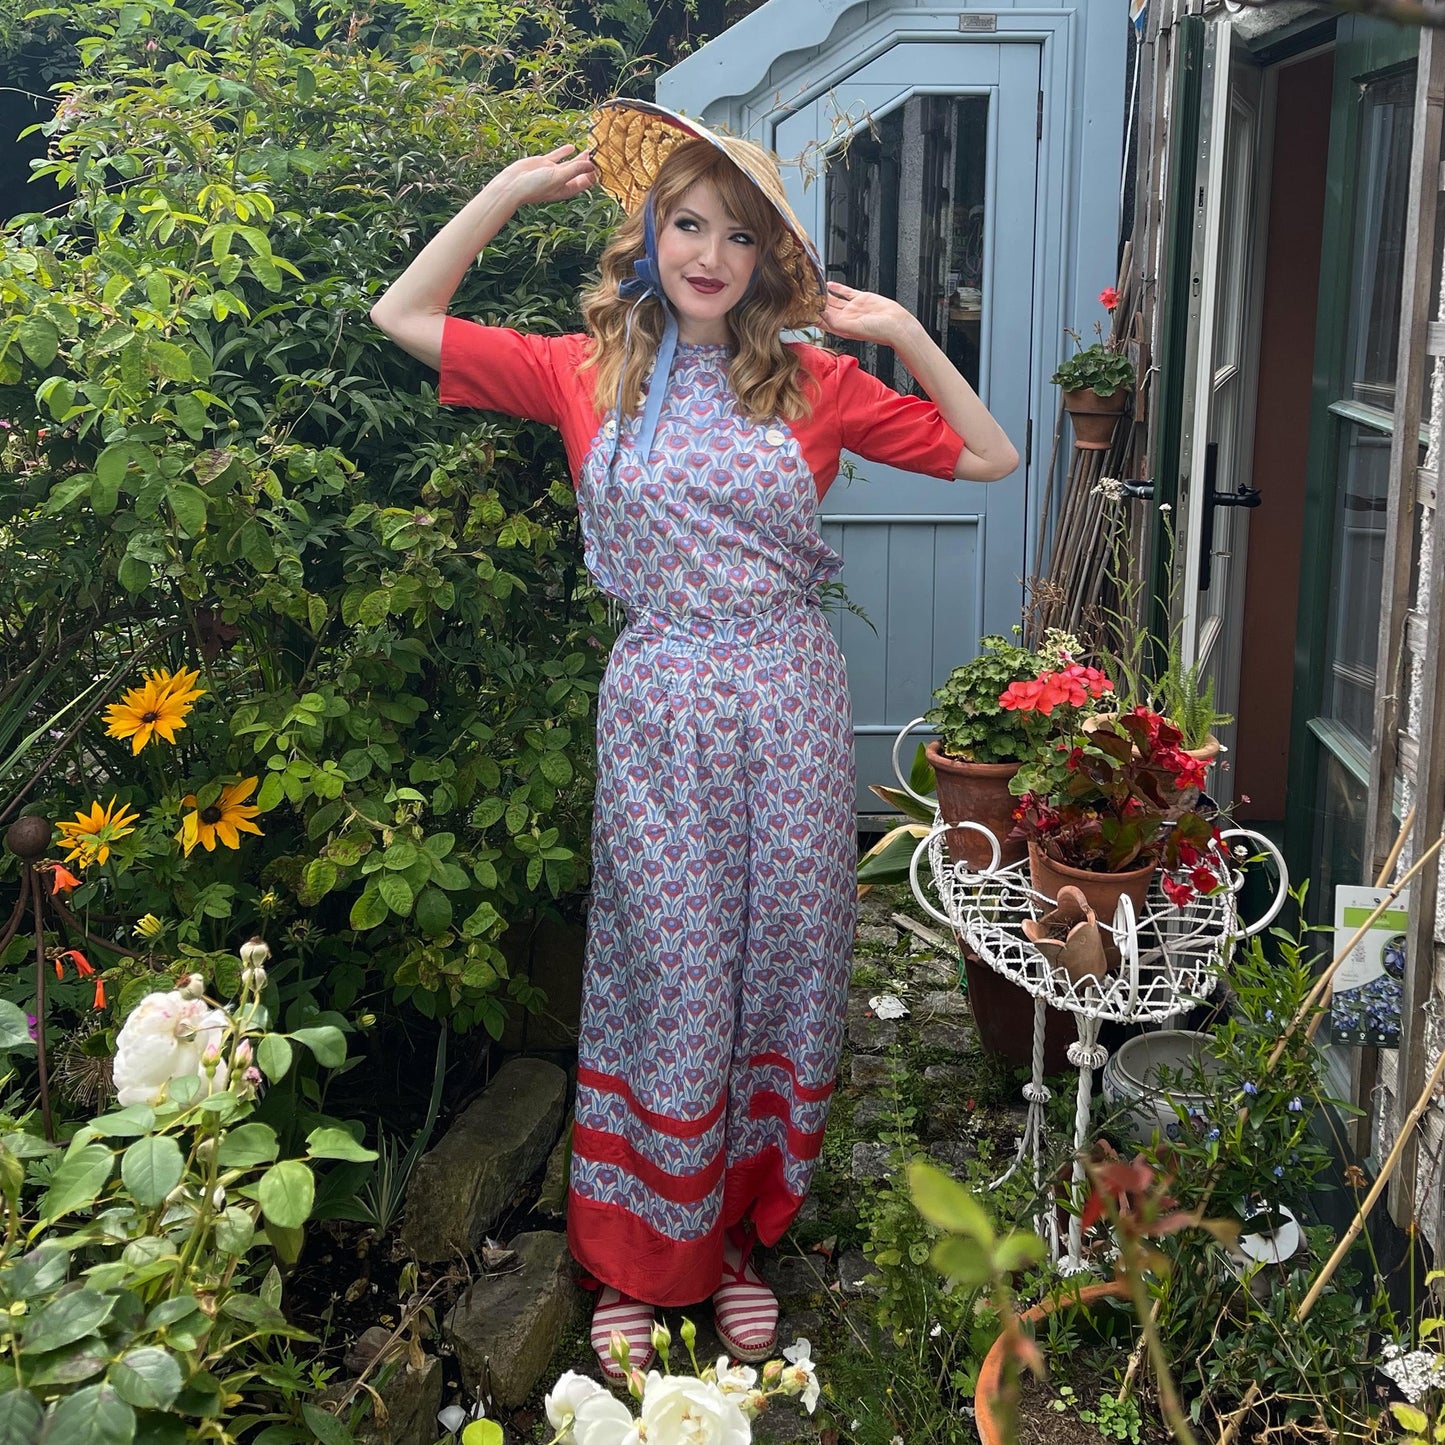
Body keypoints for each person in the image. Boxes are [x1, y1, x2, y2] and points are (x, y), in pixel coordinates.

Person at [370, 99, 1018, 1382]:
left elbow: (991, 455)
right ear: (650, 236)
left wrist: (900, 333)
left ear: (770, 258)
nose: (707, 254)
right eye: (684, 224)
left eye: (735, 233)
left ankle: (732, 1243)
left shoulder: (817, 380)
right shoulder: (582, 370)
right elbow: (402, 316)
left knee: (777, 961)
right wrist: (502, 192)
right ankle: (629, 1259)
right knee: (665, 973)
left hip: (787, 704)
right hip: (661, 704)